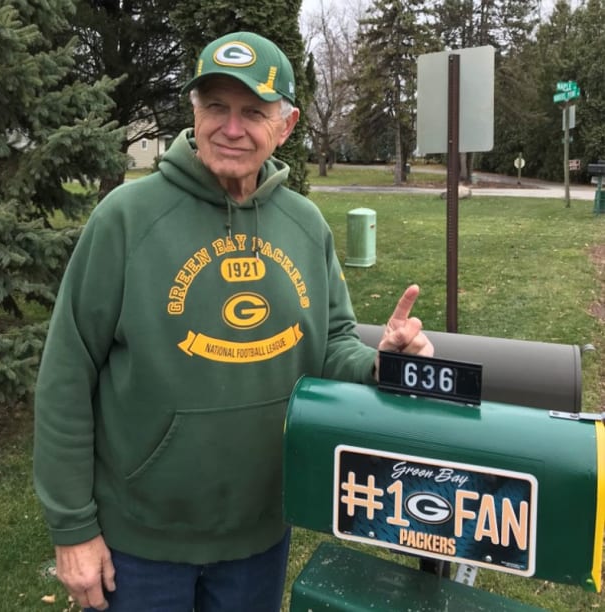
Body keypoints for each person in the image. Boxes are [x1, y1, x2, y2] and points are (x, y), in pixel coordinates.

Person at [33, 31, 433, 612]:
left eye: (253, 112)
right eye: (215, 106)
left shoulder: (305, 225)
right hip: (139, 543)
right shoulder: (124, 219)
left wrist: (381, 361)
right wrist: (73, 530)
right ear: (194, 112)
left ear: (287, 125)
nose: (232, 127)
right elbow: (67, 375)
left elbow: (331, 344)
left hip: (259, 536)